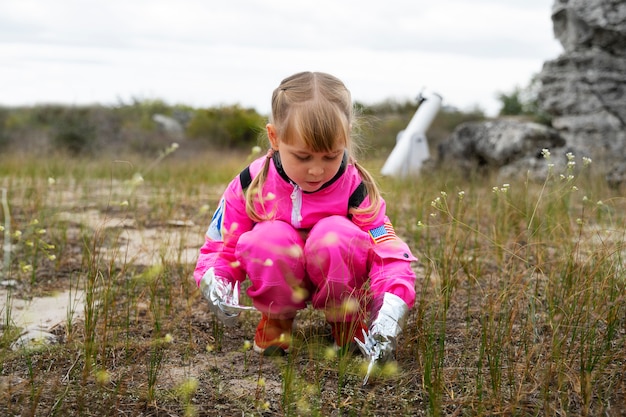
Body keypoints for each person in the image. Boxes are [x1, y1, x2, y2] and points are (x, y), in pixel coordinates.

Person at [194, 71, 417, 360]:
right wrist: (217, 278)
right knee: (268, 237)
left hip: (339, 281)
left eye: (330, 156)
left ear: (346, 138)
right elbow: (221, 245)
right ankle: (277, 320)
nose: (316, 170)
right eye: (303, 157)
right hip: (280, 280)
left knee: (336, 235)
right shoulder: (251, 184)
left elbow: (387, 250)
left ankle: (346, 323)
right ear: (274, 137)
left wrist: (392, 302)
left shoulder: (355, 186)